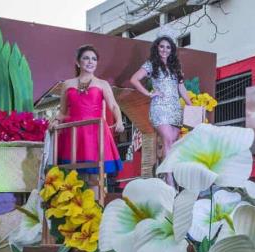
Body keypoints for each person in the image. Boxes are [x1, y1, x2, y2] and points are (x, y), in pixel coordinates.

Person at [130, 36, 193, 185]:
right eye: (162, 46)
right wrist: (149, 93)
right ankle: (169, 178)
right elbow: (134, 79)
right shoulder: (151, 64)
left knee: (173, 142)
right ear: (157, 48)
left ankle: (167, 173)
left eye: (168, 47)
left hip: (175, 108)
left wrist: (191, 105)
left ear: (172, 50)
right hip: (159, 107)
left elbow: (181, 87)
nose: (164, 50)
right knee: (167, 139)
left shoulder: (176, 67)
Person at [53, 45, 124, 177]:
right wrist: (55, 120)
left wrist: (119, 121)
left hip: (94, 132)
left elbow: (113, 105)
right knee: (72, 175)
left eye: (94, 59)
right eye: (86, 58)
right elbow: (63, 112)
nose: (91, 61)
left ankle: (95, 199)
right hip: (73, 132)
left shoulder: (103, 84)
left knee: (95, 174)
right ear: (78, 62)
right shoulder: (67, 84)